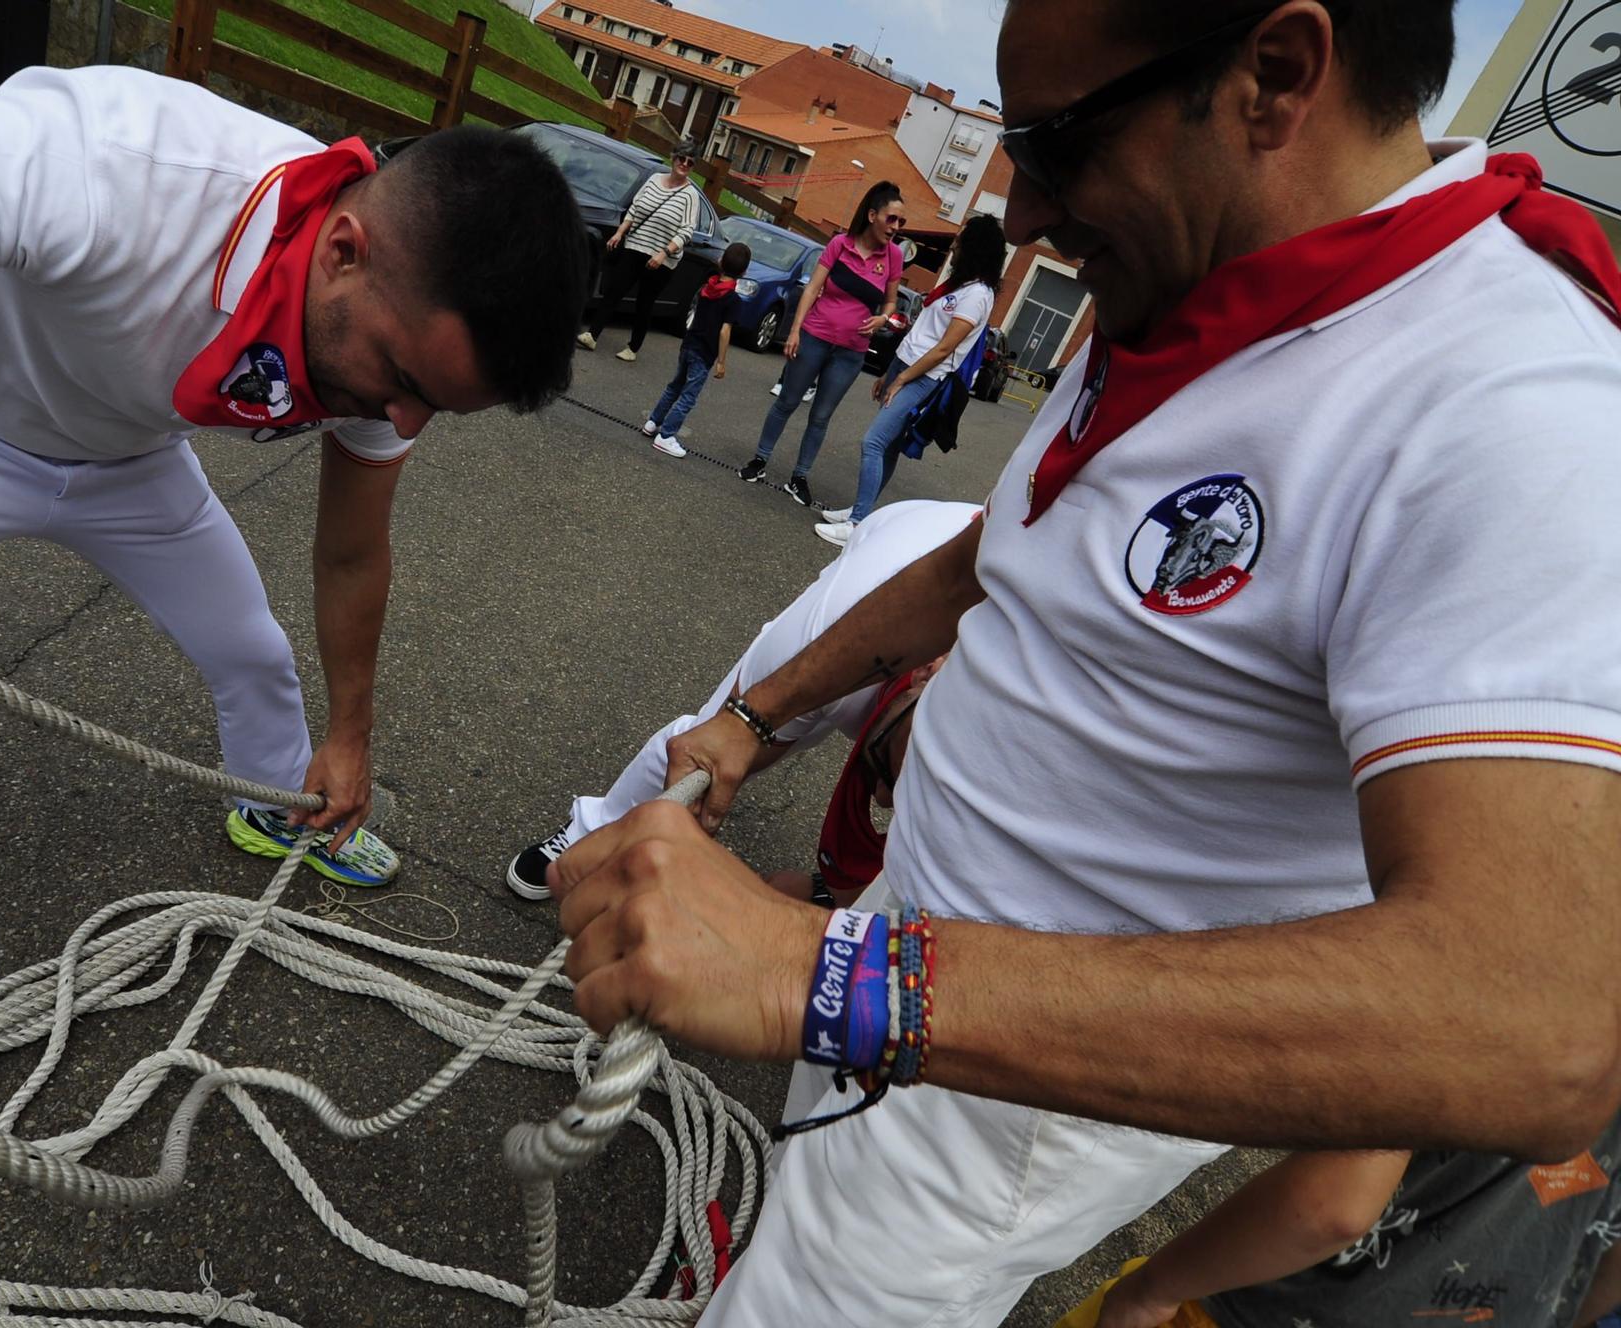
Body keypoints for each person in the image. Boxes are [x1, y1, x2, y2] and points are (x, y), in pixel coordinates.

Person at [546, 2, 1621, 1326]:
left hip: (999, 1104)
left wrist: (826, 976)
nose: (1031, 213)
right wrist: (759, 721)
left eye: (1057, 147)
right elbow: (1000, 555)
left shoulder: (1513, 411)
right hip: (906, 965)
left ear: (1274, 77)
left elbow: (1535, 1023)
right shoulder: (1201, 279)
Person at [0, 64, 586, 1323]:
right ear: (343, 245)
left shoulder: (390, 335)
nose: (395, 417)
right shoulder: (107, 166)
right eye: (397, 375)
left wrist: (350, 735)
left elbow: (351, 548)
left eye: (427, 407)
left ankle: (278, 804)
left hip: (123, 457)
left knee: (249, 651)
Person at [504, 500, 976, 901]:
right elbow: (711, 741)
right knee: (710, 749)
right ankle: (592, 827)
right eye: (893, 775)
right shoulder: (827, 634)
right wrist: (746, 725)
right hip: (897, 548)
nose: (883, 798)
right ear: (927, 672)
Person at [1059, 1111, 1621, 1328]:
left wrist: (1153, 1289)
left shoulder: (1549, 971)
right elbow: (1600, 1283)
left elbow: (1331, 1210)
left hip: (1279, 1309)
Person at [814, 215, 1007, 546]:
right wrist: (890, 371)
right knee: (888, 445)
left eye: (962, 240)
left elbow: (945, 348)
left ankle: (858, 523)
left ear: (976, 248)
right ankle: (860, 513)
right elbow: (921, 333)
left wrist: (901, 378)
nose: (956, 245)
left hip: (923, 377)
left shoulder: (977, 295)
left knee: (873, 442)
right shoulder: (959, 286)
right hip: (906, 365)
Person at [736, 183, 908, 507]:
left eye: (901, 222)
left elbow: (890, 303)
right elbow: (813, 288)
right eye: (891, 219)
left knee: (821, 416)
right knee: (786, 401)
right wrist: (796, 330)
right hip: (814, 337)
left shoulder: (894, 257)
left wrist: (883, 320)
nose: (896, 228)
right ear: (872, 215)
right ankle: (759, 460)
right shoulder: (840, 245)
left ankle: (799, 477)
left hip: (851, 352)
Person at [577, 141, 704, 362]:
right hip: (636, 244)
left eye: (690, 163)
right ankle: (592, 334)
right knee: (615, 290)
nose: (684, 164)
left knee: (644, 303)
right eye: (681, 159)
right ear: (673, 157)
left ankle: (633, 347)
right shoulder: (654, 180)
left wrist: (664, 253)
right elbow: (635, 208)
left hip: (662, 259)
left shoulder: (690, 195)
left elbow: (687, 231)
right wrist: (619, 232)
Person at [639, 243, 751, 459]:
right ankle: (666, 435)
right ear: (744, 272)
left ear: (720, 262)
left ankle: (653, 422)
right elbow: (724, 331)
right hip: (704, 352)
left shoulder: (707, 288)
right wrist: (721, 361)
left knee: (675, 386)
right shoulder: (733, 300)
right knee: (688, 396)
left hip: (689, 344)